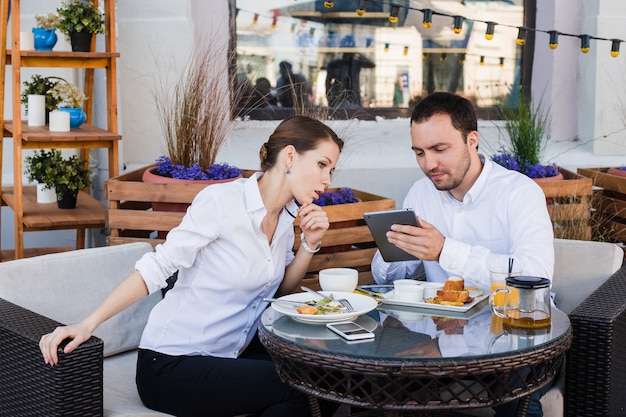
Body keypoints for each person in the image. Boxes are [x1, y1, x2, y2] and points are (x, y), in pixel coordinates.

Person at [39, 115, 344, 417]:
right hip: (171, 363)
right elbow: (155, 269)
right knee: (299, 387)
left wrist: (309, 244)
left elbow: (278, 289)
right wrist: (86, 324)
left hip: (229, 357)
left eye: (331, 169)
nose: (327, 180)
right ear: (290, 156)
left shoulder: (285, 217)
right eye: (322, 164)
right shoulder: (222, 203)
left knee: (331, 380)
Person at [370, 91, 554, 417]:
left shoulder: (520, 193)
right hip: (438, 332)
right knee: (381, 386)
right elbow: (393, 279)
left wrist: (444, 251)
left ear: (472, 140)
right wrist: (392, 250)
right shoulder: (420, 192)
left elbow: (536, 277)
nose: (429, 164)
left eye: (440, 149)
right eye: (420, 152)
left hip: (508, 336)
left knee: (521, 404)